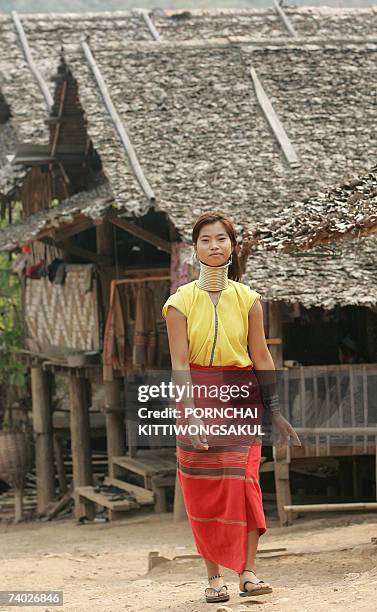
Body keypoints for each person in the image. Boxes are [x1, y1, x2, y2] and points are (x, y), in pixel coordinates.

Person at [162, 211, 301, 604]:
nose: (214, 245)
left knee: (244, 485)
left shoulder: (249, 299)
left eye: (221, 238)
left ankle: (249, 573)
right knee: (204, 490)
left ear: (233, 246)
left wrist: (273, 409)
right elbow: (179, 364)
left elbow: (260, 356)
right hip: (197, 397)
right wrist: (190, 415)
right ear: (195, 249)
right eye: (205, 239)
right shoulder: (179, 303)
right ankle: (213, 578)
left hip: (242, 398)